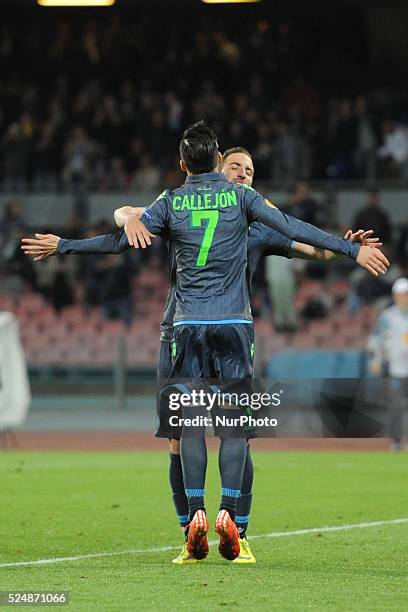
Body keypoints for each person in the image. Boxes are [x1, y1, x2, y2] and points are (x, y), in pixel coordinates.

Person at [22, 127, 389, 564]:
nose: (244, 173)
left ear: (183, 164)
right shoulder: (242, 203)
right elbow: (295, 225)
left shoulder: (177, 201)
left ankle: (204, 515)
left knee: (191, 427)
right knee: (224, 430)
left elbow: (121, 238)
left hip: (186, 326)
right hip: (230, 324)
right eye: (236, 165)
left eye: (250, 170)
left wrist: (67, 245)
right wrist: (350, 254)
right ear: (217, 162)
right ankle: (220, 516)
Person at [367, 278, 408, 450]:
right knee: (395, 407)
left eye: (406, 294)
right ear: (395, 296)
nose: (404, 298)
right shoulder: (387, 317)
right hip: (395, 369)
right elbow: (376, 339)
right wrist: (376, 360)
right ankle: (397, 441)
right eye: (401, 294)